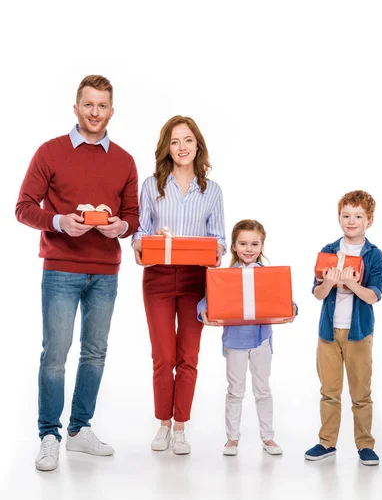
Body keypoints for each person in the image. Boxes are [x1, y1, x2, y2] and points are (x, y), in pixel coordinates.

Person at [15, 75, 139, 471]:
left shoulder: (124, 160)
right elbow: (23, 206)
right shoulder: (50, 152)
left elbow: (133, 216)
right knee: (55, 354)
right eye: (89, 105)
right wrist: (58, 222)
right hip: (61, 270)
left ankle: (79, 429)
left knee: (95, 353)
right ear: (76, 108)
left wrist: (119, 227)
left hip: (105, 272)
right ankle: (49, 434)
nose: (95, 113)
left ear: (111, 111)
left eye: (102, 106)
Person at [132, 115, 225, 455]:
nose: (182, 147)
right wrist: (150, 239)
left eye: (187, 140)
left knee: (188, 355)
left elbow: (220, 240)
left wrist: (213, 249)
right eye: (174, 142)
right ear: (166, 148)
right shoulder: (152, 185)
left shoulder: (211, 190)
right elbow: (139, 233)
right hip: (157, 277)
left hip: (195, 280)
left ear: (197, 144)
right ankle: (163, 423)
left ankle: (181, 426)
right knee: (163, 355)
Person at [198, 219, 297, 456]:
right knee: (235, 390)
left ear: (262, 246)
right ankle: (232, 438)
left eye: (254, 244)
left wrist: (292, 309)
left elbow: (283, 298)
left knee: (263, 389)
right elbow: (207, 299)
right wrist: (202, 311)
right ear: (233, 246)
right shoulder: (223, 276)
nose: (249, 249)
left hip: (262, 339)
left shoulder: (268, 275)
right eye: (243, 243)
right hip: (234, 340)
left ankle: (268, 437)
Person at [304, 190, 382, 465]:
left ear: (369, 220)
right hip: (328, 332)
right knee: (329, 391)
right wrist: (328, 282)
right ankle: (327, 442)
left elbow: (373, 296)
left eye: (358, 216)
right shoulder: (328, 251)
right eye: (346, 215)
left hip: (358, 333)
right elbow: (317, 294)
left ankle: (365, 445)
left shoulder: (374, 255)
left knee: (361, 393)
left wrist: (351, 283)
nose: (351, 221)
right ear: (339, 217)